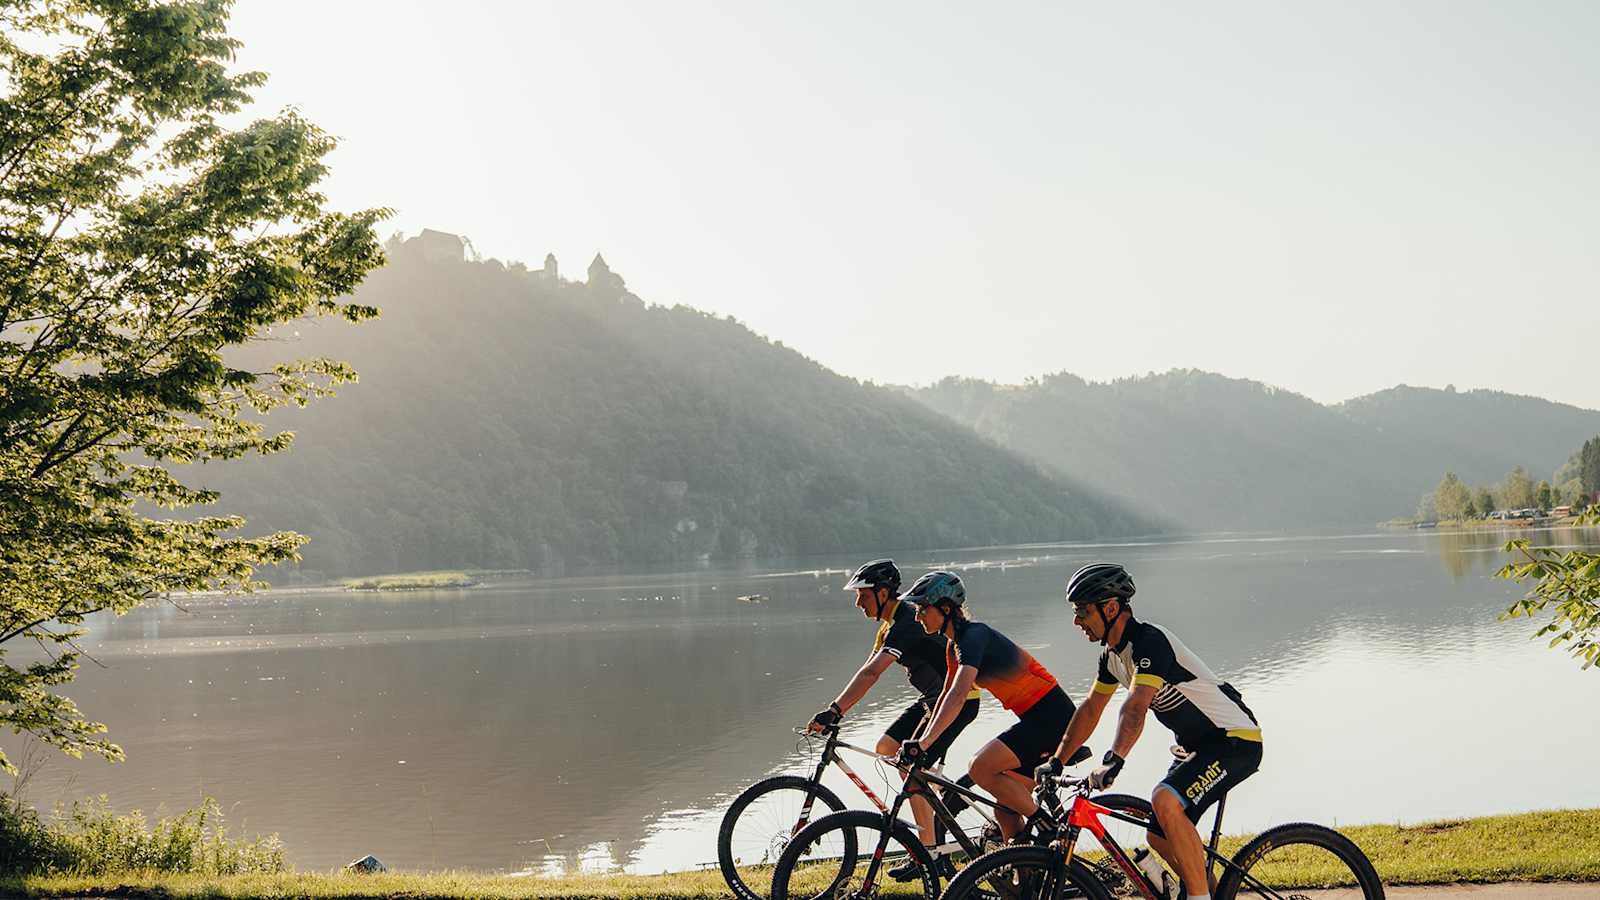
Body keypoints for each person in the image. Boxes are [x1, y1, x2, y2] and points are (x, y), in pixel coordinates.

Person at [1038, 563, 1262, 900]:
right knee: (1158, 836)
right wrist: (1056, 761)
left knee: (1165, 799)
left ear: (1110, 608)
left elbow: (1135, 707)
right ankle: (1213, 894)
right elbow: (1090, 710)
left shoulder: (1149, 642)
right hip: (1197, 747)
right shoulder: (1112, 657)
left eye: (1083, 611)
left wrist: (1114, 760)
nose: (1076, 621)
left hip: (1234, 740)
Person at [806, 559, 980, 871]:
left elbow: (872, 674)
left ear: (884, 592)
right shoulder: (889, 627)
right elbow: (866, 672)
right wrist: (839, 709)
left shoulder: (907, 622)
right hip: (934, 698)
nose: (858, 602)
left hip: (957, 700)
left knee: (910, 764)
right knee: (887, 747)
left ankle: (930, 854)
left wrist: (834, 711)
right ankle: (934, 801)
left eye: (863, 595)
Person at [896, 570, 1077, 841]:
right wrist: (923, 742)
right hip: (1035, 719)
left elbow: (959, 695)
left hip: (1052, 717)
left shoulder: (974, 637)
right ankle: (1027, 876)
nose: (917, 616)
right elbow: (946, 696)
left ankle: (1047, 824)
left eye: (923, 608)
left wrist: (923, 745)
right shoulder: (953, 647)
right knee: (1006, 811)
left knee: (979, 767)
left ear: (945, 608)